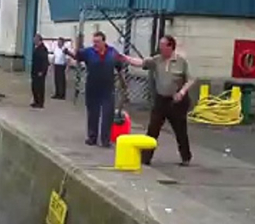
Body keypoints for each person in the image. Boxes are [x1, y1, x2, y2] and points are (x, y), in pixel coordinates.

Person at [118, 35, 195, 166]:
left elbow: (191, 79)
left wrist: (182, 92)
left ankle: (186, 157)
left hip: (176, 101)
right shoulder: (157, 60)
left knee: (180, 130)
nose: (160, 48)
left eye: (163, 46)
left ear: (170, 47)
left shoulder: (181, 62)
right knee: (153, 128)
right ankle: (146, 157)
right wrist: (125, 58)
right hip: (161, 100)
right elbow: (141, 62)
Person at [65, 31, 123, 148]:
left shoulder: (112, 53)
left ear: (104, 41)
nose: (95, 44)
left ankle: (105, 140)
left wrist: (122, 82)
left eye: (98, 42)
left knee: (108, 113)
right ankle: (92, 137)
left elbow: (119, 67)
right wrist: (71, 50)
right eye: (94, 42)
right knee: (93, 113)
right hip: (92, 87)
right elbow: (77, 56)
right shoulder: (88, 52)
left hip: (108, 88)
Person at [30, 33, 49, 108]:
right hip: (35, 71)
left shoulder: (43, 49)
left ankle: (40, 102)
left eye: (35, 39)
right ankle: (36, 101)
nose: (34, 40)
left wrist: (42, 71)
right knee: (34, 87)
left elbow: (45, 61)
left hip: (40, 72)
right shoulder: (36, 48)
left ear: (39, 40)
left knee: (39, 87)